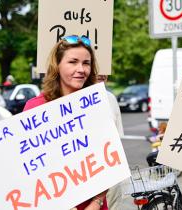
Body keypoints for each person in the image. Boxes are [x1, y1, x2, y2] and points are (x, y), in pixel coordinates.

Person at [23, 35, 108, 210]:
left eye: (86, 63)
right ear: (57, 65)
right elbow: (28, 169)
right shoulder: (35, 107)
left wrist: (96, 202)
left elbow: (110, 158)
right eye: (73, 62)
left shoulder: (96, 104)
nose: (81, 69)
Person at [96, 74, 124, 210]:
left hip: (111, 170)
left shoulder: (111, 98)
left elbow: (118, 136)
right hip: (87, 174)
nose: (102, 74)